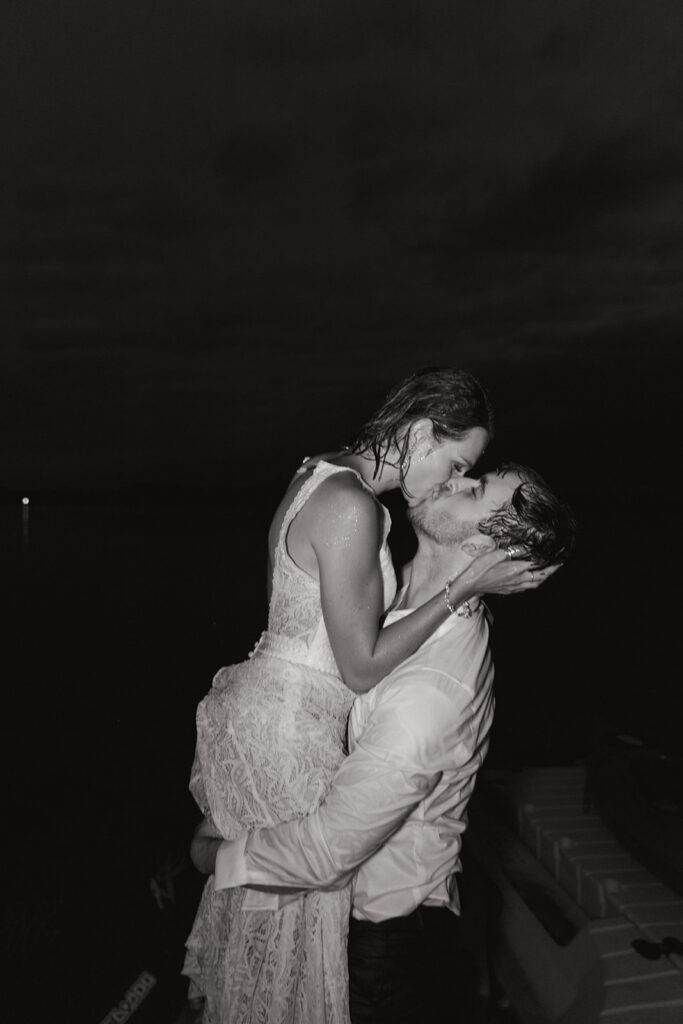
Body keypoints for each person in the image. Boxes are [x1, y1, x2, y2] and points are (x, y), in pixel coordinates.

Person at [183, 369, 555, 1024]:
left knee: (267, 960)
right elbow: (358, 667)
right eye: (458, 465)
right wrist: (463, 586)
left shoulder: (329, 475)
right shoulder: (354, 505)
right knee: (273, 968)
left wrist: (216, 854)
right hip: (290, 724)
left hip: (287, 736)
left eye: (467, 480)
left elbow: (327, 849)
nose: (450, 482)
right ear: (417, 432)